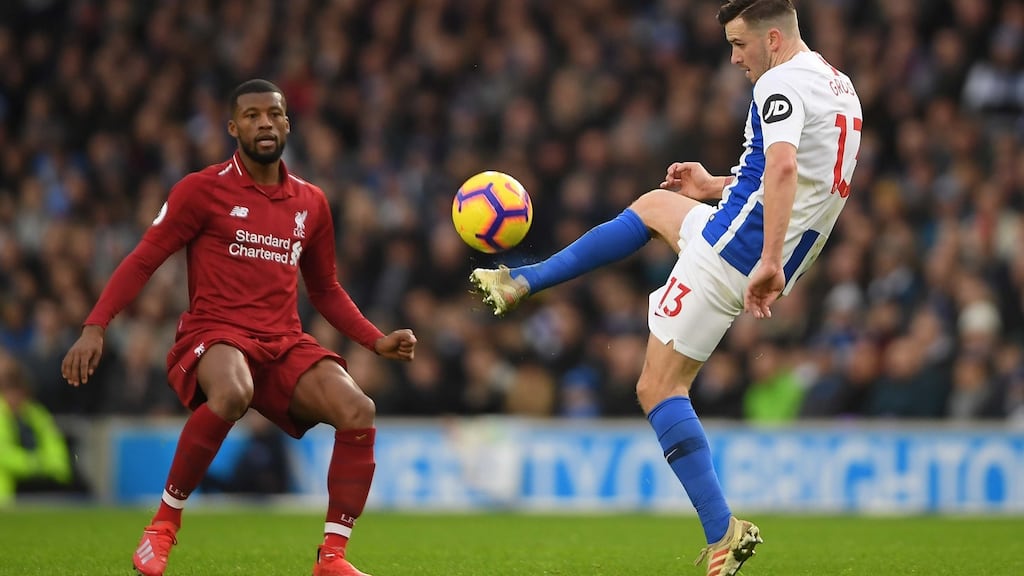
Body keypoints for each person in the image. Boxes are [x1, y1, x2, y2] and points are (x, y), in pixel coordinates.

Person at [471, 1, 862, 574]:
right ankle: (523, 281)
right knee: (656, 205)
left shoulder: (777, 86)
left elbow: (780, 170)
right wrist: (714, 185)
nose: (734, 59)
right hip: (752, 234)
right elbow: (802, 177)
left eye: (739, 45)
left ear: (773, 39)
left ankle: (722, 532)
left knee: (658, 388)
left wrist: (770, 261)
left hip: (738, 250)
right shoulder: (837, 85)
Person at [62, 79, 417, 576]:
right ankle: (163, 526)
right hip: (216, 333)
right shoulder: (201, 190)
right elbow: (144, 260)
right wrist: (96, 325)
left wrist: (374, 340)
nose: (264, 123)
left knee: (359, 409)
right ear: (233, 128)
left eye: (273, 114)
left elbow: (326, 291)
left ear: (288, 123)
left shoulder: (311, 203)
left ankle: (332, 557)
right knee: (231, 392)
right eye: (251, 115)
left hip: (283, 341)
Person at [0, 350, 73, 506]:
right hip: (11, 486)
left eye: (18, 392)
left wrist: (49, 466)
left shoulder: (37, 414)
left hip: (40, 480)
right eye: (10, 391)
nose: (15, 398)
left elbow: (56, 448)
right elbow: (4, 455)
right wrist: (37, 463)